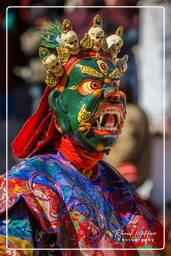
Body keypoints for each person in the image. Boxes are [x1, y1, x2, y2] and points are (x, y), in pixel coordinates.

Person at [0, 15, 166, 256]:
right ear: (58, 104)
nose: (113, 95)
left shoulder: (117, 185)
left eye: (115, 85)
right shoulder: (26, 188)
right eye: (93, 86)